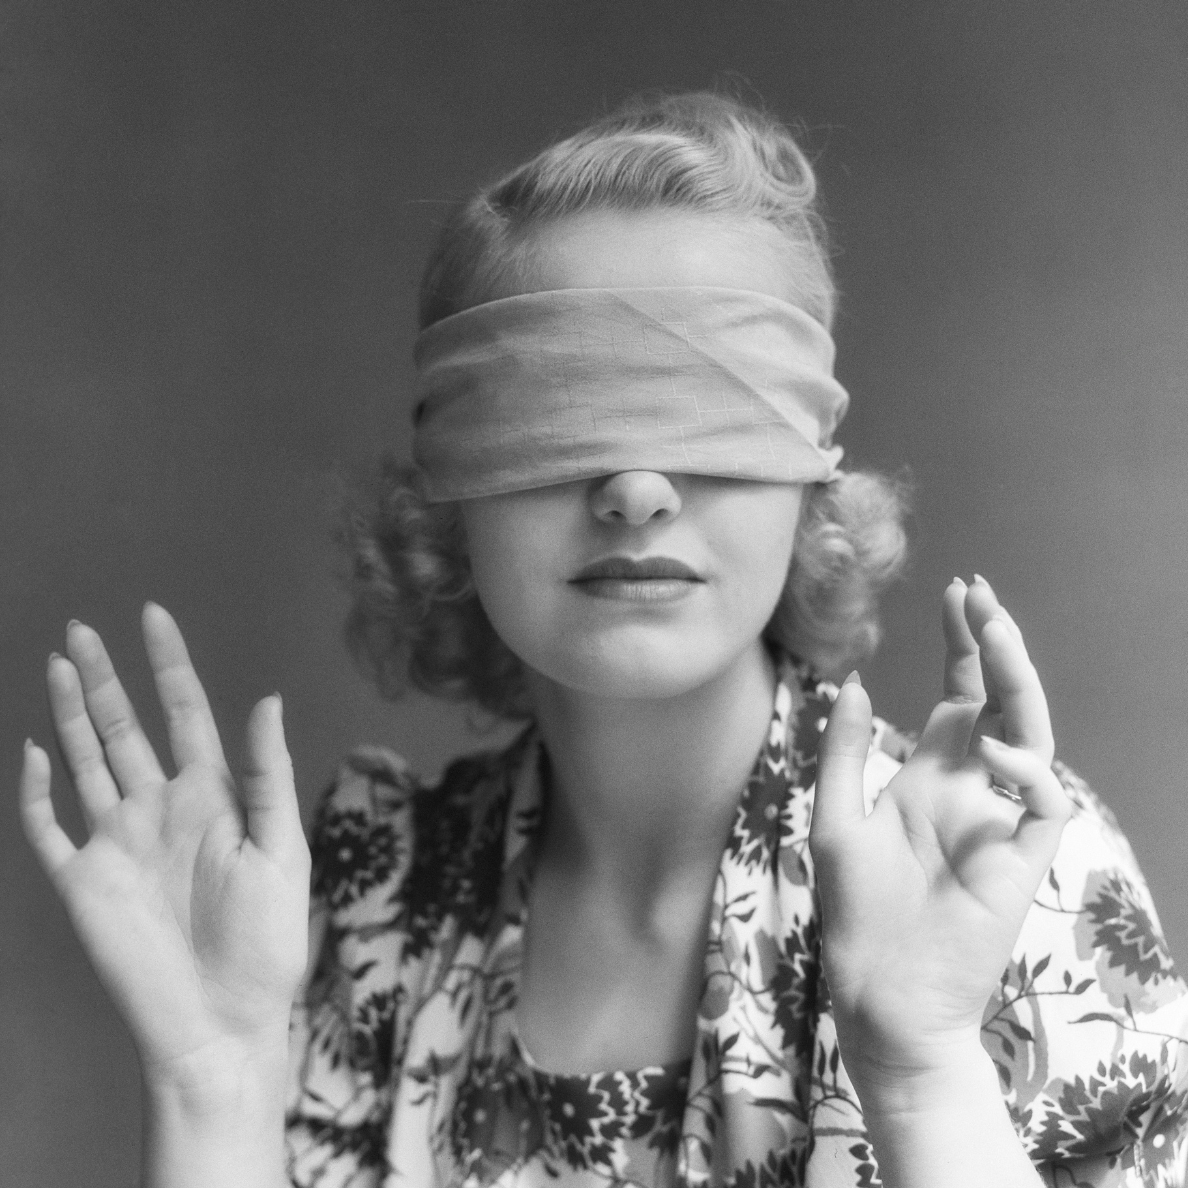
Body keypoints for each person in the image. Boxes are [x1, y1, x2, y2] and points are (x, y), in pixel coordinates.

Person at [19, 92, 1188, 1188]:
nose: (635, 489)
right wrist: (214, 1082)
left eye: (708, 411)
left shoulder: (992, 867)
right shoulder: (375, 907)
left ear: (810, 479)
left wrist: (924, 1070)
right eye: (563, 409)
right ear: (452, 493)